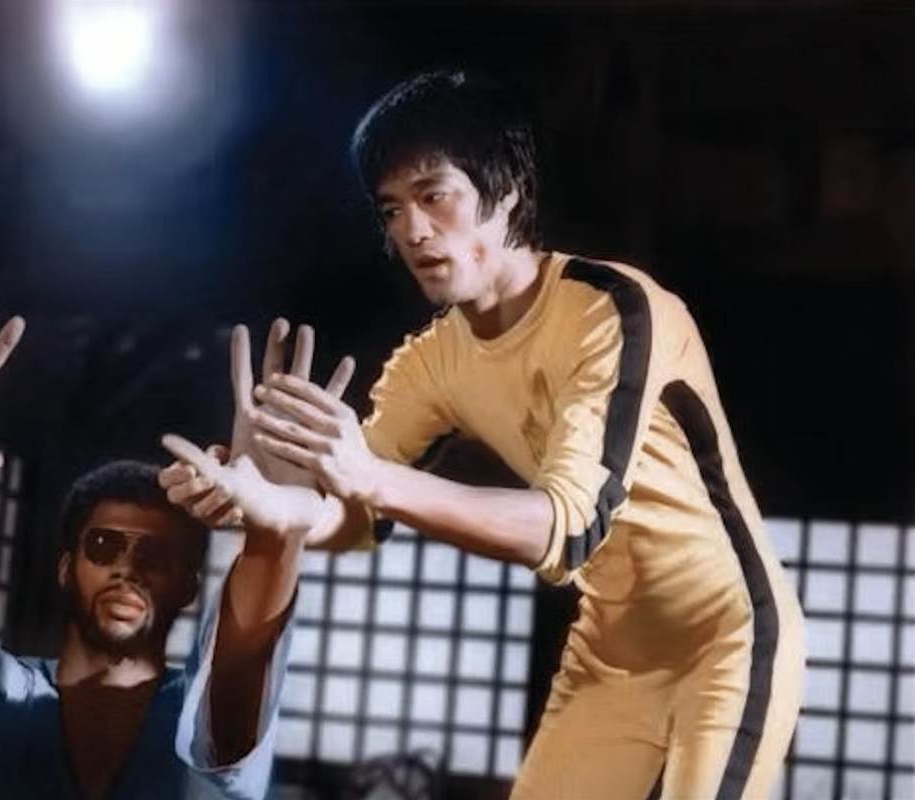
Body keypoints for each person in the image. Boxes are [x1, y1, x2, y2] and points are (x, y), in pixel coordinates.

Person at [165, 71, 805, 799]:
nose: (412, 230)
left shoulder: (611, 310)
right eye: (392, 209)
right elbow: (362, 515)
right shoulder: (431, 361)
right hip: (612, 654)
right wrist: (285, 512)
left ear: (505, 193)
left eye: (434, 195)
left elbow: (567, 529)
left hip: (727, 636)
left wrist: (369, 478)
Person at [0, 279, 335, 799]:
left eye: (155, 556)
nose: (127, 568)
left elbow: (241, 662)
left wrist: (276, 535)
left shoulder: (200, 721)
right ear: (68, 568)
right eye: (105, 545)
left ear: (188, 586)